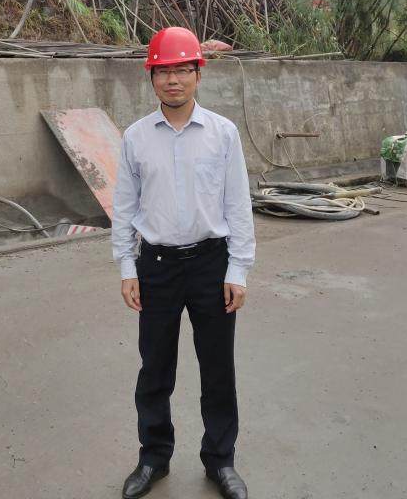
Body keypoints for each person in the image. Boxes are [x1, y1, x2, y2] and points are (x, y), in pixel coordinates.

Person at [112, 27, 255, 499]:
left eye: (182, 70)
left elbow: (238, 205)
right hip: (157, 267)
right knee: (155, 369)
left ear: (198, 73)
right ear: (151, 77)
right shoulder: (136, 137)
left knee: (217, 369)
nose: (173, 80)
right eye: (163, 71)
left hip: (212, 265)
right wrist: (127, 268)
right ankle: (153, 458)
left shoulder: (223, 134)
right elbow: (125, 207)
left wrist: (238, 269)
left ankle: (220, 460)